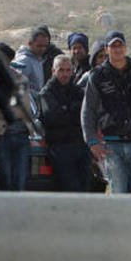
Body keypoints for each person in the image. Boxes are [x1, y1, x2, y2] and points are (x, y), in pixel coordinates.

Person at [82, 31, 131, 193]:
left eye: (120, 46)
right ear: (106, 49)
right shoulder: (97, 76)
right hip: (111, 147)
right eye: (113, 46)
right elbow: (87, 111)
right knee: (118, 193)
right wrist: (91, 141)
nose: (117, 50)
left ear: (125, 48)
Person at [39, 55, 92, 192]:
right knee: (71, 188)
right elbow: (52, 118)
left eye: (68, 70)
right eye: (61, 70)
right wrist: (72, 110)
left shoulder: (77, 91)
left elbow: (86, 114)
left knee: (85, 187)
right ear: (53, 71)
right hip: (60, 147)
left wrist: (66, 109)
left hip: (80, 145)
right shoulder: (46, 93)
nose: (65, 74)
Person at [0, 46, 31, 192]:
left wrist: (3, 107)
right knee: (7, 180)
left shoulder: (21, 79)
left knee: (21, 181)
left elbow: (25, 109)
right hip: (0, 136)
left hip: (21, 136)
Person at [11, 27, 50, 107]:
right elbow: (16, 86)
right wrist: (37, 95)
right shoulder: (24, 61)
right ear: (30, 43)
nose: (42, 49)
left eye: (45, 46)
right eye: (39, 46)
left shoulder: (37, 59)